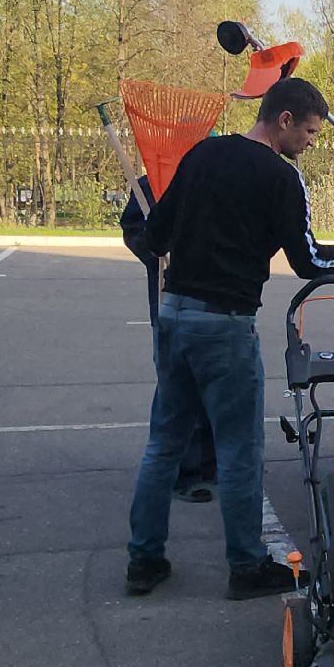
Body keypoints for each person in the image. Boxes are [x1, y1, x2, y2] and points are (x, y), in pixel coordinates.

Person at [126, 77, 334, 599]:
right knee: (238, 448)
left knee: (164, 441)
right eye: (310, 132)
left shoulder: (201, 155)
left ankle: (143, 559)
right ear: (284, 120)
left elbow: (153, 236)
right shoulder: (280, 177)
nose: (310, 142)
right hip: (225, 322)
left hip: (174, 313)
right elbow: (310, 262)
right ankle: (247, 565)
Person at [120, 172, 216, 504]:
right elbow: (134, 231)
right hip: (169, 297)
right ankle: (185, 471)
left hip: (219, 299)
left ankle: (213, 462)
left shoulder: (221, 174)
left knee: (217, 384)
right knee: (179, 387)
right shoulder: (151, 183)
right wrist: (156, 246)